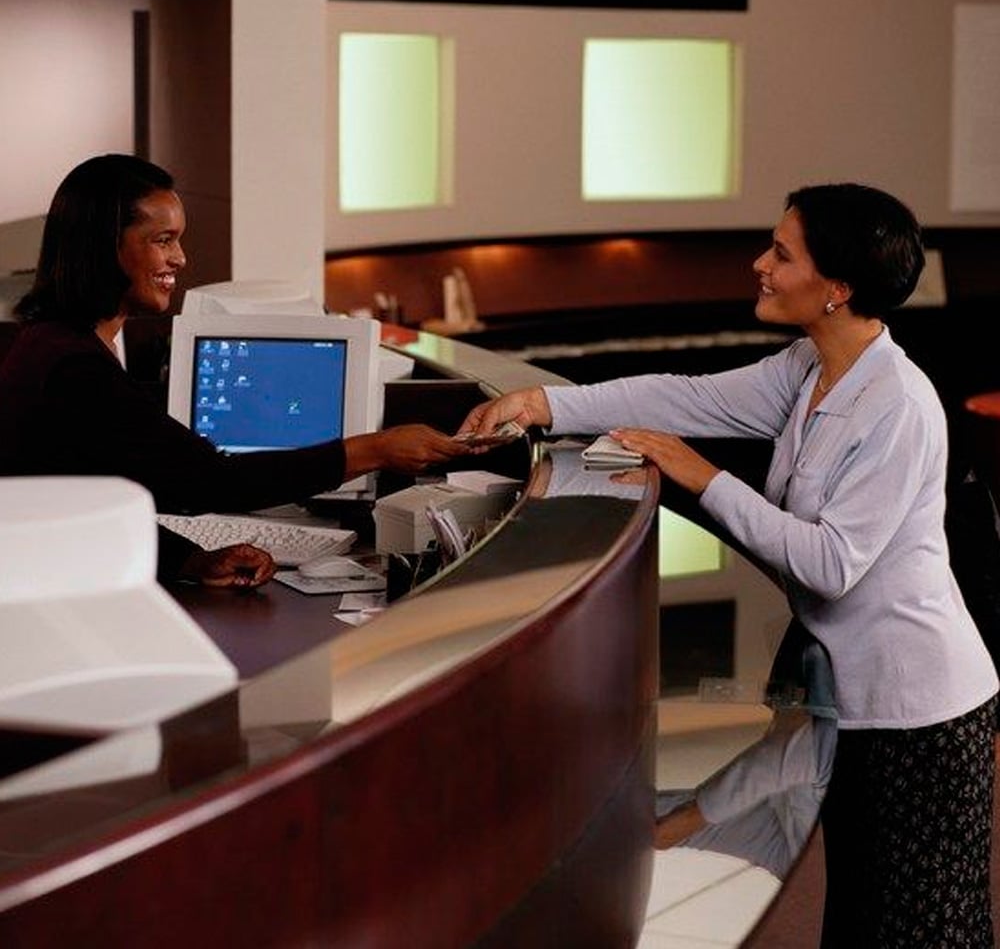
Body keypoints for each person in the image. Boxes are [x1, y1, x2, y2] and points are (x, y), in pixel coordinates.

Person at [458, 183, 1000, 947]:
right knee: (857, 919)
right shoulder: (808, 368)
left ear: (837, 288)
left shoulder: (900, 405)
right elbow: (687, 398)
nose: (761, 265)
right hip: (854, 698)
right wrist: (543, 404)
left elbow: (831, 564)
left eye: (782, 254)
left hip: (921, 715)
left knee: (919, 931)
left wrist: (700, 475)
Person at [0, 154, 470, 590]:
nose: (180, 258)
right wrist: (374, 449)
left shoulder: (53, 342)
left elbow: (87, 506)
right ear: (105, 248)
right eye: (163, 240)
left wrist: (187, 560)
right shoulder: (72, 366)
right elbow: (211, 479)